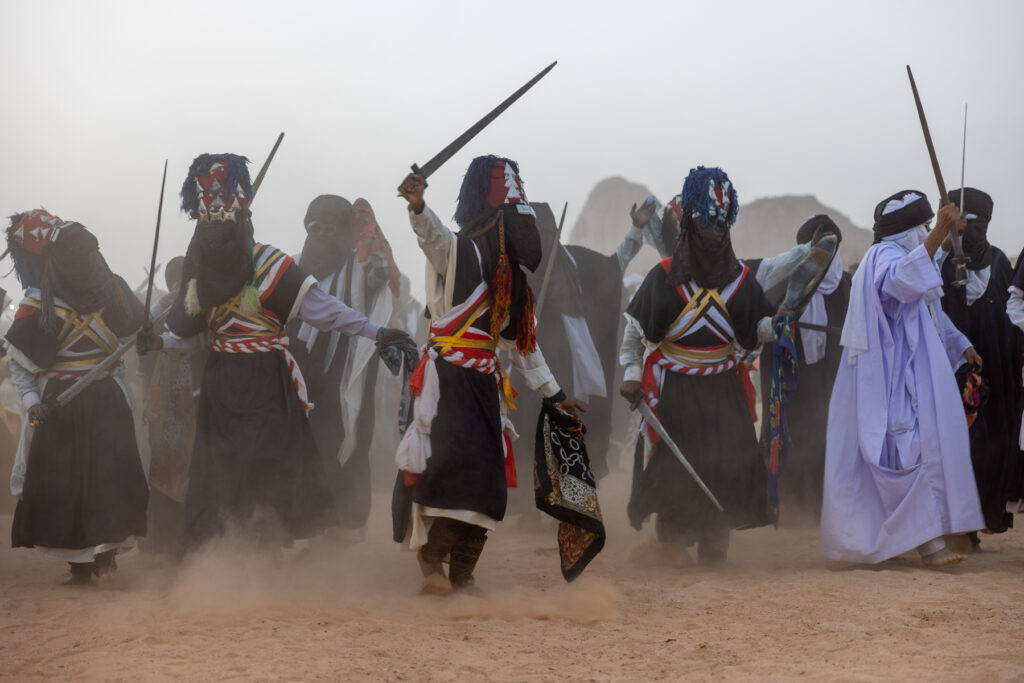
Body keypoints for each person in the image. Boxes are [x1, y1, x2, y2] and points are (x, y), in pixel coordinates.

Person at [137, 153, 413, 549]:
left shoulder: (271, 264)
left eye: (222, 223)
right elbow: (199, 336)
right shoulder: (199, 276)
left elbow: (325, 312)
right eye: (207, 223)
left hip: (268, 382)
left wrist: (377, 331)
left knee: (266, 466)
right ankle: (223, 553)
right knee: (220, 468)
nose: (214, 232)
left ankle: (266, 549)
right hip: (220, 387)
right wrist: (159, 341)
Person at [393, 155, 583, 594]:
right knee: (442, 477)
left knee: (486, 486)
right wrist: (418, 207)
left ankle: (462, 574)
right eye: (512, 222)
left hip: (483, 389)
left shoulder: (514, 284)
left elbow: (523, 349)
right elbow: (433, 239)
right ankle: (433, 567)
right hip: (444, 387)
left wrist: (555, 396)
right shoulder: (458, 252)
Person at [619, 166, 776, 564]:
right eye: (705, 224)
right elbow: (636, 333)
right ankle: (668, 547)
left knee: (727, 470)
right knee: (674, 474)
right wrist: (632, 375)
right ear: (688, 227)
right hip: (674, 393)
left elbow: (754, 331)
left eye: (720, 225)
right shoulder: (663, 277)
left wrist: (775, 326)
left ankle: (715, 547)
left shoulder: (742, 280)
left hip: (724, 393)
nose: (713, 234)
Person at [821, 191, 984, 567]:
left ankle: (911, 538)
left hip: (908, 379)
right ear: (909, 228)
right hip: (888, 383)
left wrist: (960, 344)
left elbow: (925, 300)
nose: (928, 231)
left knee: (915, 449)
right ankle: (929, 546)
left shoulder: (900, 255)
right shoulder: (883, 259)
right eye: (924, 226)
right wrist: (940, 230)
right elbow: (902, 281)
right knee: (904, 452)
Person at [5, 209, 148, 584]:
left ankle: (103, 556)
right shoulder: (39, 302)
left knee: (110, 479)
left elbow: (138, 333)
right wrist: (34, 403)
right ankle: (82, 565)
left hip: (105, 400)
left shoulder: (112, 293)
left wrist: (148, 331)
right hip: (60, 406)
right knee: (65, 484)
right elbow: (21, 366)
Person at [285, 195, 400, 537]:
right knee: (302, 444)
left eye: (329, 228)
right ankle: (311, 527)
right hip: (300, 368)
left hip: (346, 371)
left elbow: (383, 274)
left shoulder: (360, 267)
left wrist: (367, 230)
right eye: (313, 227)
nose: (319, 235)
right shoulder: (292, 265)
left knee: (342, 440)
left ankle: (346, 526)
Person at [938, 188, 1023, 543]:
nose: (970, 231)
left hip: (996, 379)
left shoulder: (1003, 263)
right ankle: (954, 525)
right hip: (949, 375)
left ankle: (981, 519)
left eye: (978, 223)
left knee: (991, 449)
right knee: (954, 447)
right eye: (963, 224)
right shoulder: (938, 263)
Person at [753, 215, 851, 517]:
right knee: (786, 432)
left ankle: (824, 506)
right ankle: (785, 503)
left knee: (827, 435)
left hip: (829, 378)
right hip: (788, 377)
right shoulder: (780, 280)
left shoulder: (847, 285)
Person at [140, 256, 203, 557]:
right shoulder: (162, 307)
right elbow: (142, 337)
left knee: (191, 468)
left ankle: (185, 542)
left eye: (184, 278)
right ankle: (159, 542)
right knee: (161, 468)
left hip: (192, 403)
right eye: (174, 279)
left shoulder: (200, 306)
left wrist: (194, 392)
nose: (179, 284)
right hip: (162, 404)